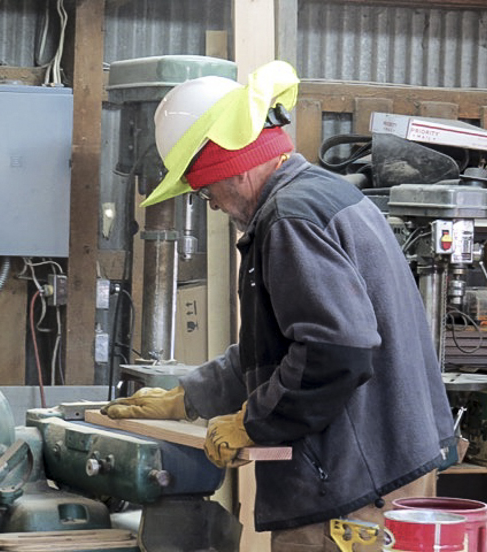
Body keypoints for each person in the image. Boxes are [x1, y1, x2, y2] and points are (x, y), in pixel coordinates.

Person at [101, 60, 456, 552]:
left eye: (207, 192)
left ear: (230, 168)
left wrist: (253, 423)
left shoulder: (288, 219)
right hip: (380, 471)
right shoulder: (321, 197)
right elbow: (280, 347)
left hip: (352, 492)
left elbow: (336, 350)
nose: (217, 206)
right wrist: (189, 397)